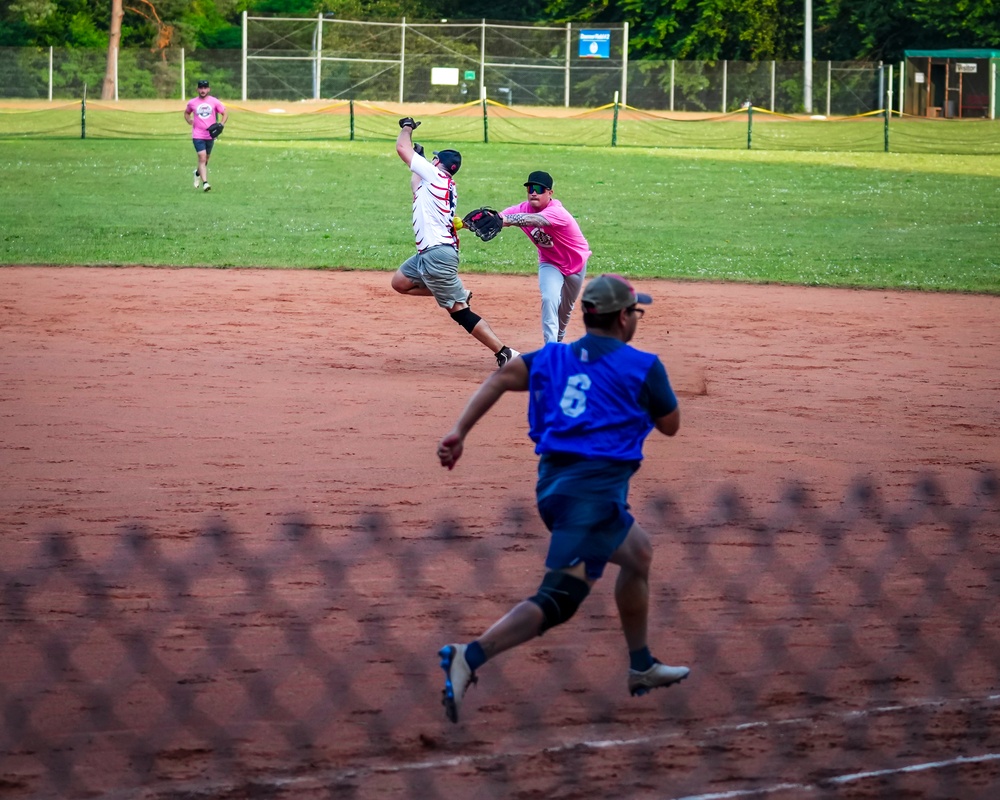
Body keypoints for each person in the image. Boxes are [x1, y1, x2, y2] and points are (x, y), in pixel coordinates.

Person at [435, 273, 689, 724]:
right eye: (635, 311)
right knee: (560, 599)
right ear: (622, 319)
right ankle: (469, 656)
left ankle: (641, 664)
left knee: (638, 554)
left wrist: (459, 432)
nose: (637, 318)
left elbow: (502, 378)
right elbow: (671, 426)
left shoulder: (552, 358)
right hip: (589, 498)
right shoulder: (643, 366)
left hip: (556, 489)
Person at [391, 118, 519, 369]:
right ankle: (457, 292)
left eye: (433, 159)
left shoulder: (436, 175)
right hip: (429, 254)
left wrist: (407, 128)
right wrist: (420, 161)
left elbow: (401, 149)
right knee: (400, 283)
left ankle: (505, 353)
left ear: (438, 164)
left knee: (459, 311)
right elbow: (415, 187)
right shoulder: (441, 183)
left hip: (437, 255)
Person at [499, 170, 591, 344]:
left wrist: (506, 219)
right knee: (550, 298)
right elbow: (501, 217)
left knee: (565, 310)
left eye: (539, 189)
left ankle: (558, 341)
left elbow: (534, 220)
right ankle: (551, 347)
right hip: (550, 263)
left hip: (576, 264)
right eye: (530, 188)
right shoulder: (521, 208)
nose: (533, 192)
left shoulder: (557, 212)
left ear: (550, 193)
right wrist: (477, 221)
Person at [184, 79, 227, 193]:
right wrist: (189, 121)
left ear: (208, 89)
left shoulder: (214, 102)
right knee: (202, 158)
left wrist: (221, 124)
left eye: (205, 88)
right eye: (201, 88)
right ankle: (205, 183)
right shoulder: (192, 102)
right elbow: (187, 112)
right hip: (198, 135)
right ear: (197, 89)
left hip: (210, 135)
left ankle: (197, 173)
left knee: (206, 160)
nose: (203, 90)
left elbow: (225, 113)